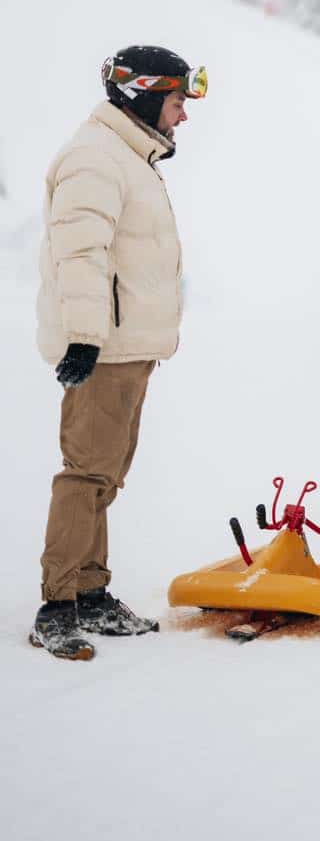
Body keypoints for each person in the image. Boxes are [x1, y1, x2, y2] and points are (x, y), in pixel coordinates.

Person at [31, 46, 207, 661]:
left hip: (125, 346)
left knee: (105, 474)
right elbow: (80, 251)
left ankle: (91, 589)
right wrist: (84, 335)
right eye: (178, 101)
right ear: (143, 96)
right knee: (85, 473)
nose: (182, 116)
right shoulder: (95, 158)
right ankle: (58, 606)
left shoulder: (126, 156)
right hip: (102, 347)